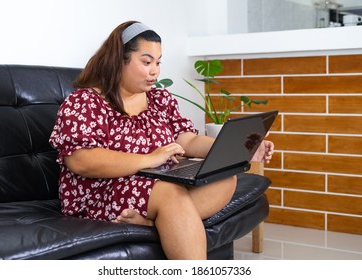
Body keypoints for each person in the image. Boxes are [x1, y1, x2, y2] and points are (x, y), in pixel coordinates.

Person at [49, 20, 274, 260]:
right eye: (146, 62)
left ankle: (150, 222)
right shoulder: (85, 102)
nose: (155, 70)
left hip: (156, 181)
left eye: (158, 62)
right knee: (169, 192)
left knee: (224, 178)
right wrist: (149, 159)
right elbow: (81, 161)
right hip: (102, 191)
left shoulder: (159, 99)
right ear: (119, 60)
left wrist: (241, 147)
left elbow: (186, 139)